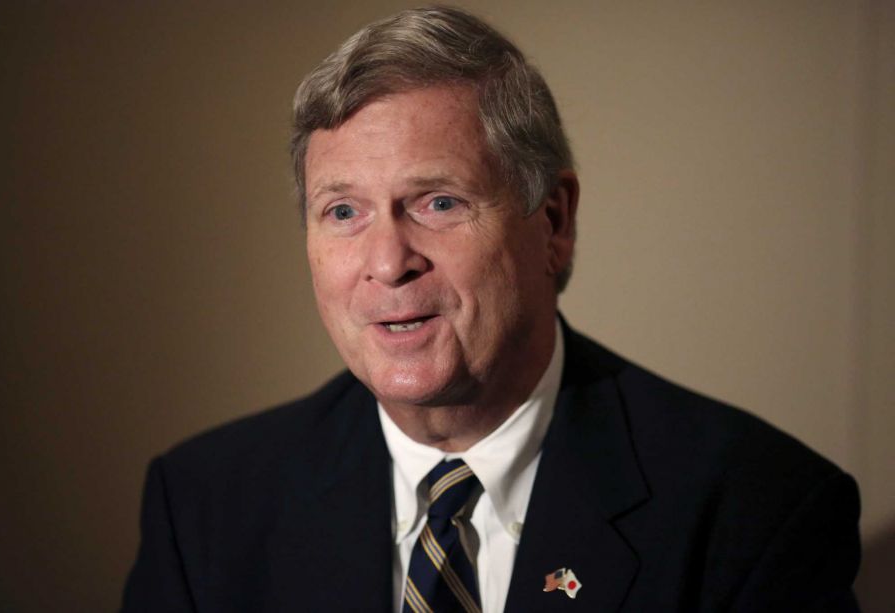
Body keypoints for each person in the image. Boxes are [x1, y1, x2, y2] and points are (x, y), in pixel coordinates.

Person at [122, 6, 861, 612]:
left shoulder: (755, 511)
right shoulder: (204, 507)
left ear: (554, 223)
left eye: (439, 202)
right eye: (343, 211)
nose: (388, 262)